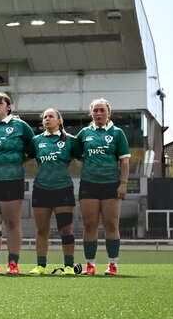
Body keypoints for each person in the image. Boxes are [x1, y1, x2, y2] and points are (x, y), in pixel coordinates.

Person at [0, 92, 36, 274]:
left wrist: (14, 161)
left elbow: (32, 149)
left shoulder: (20, 126)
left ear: (8, 106)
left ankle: (13, 263)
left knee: (12, 223)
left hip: (11, 179)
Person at [76, 98, 131, 276]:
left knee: (110, 224)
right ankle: (90, 265)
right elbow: (76, 154)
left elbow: (124, 161)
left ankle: (112, 264)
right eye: (95, 111)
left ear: (109, 113)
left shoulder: (117, 133)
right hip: (89, 184)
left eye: (102, 110)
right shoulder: (84, 133)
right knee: (89, 226)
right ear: (91, 113)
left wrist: (123, 183)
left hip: (111, 185)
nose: (99, 113)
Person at [30, 109, 82, 275]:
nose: (47, 119)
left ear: (59, 120)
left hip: (63, 190)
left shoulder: (70, 141)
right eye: (44, 117)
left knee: (66, 229)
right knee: (41, 230)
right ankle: (41, 266)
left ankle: (68, 266)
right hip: (41, 189)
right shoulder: (36, 140)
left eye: (51, 116)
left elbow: (81, 157)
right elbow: (26, 156)